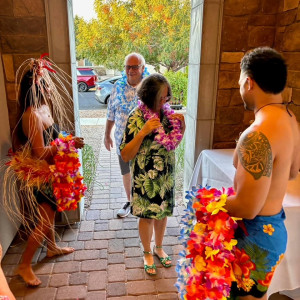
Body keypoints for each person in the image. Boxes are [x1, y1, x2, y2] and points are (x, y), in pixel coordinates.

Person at [224, 47, 300, 299]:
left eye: (239, 83)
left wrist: (210, 204)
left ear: (249, 82)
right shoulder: (290, 119)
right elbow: (291, 171)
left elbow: (246, 208)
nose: (239, 89)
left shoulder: (258, 133)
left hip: (254, 238)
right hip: (275, 232)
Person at [10, 58, 85, 286]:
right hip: (41, 175)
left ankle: (51, 248)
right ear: (36, 88)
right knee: (44, 221)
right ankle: (23, 266)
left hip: (54, 170)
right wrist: (69, 143)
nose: (50, 88)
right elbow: (40, 153)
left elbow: (54, 136)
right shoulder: (31, 115)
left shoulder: (44, 107)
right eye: (46, 84)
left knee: (49, 215)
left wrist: (65, 141)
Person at [120, 74, 185, 275]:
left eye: (167, 97)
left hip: (165, 176)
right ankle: (147, 251)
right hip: (145, 177)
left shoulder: (168, 115)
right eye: (161, 97)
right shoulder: (136, 116)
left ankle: (158, 247)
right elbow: (125, 154)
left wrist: (182, 128)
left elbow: (172, 144)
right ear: (149, 96)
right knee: (147, 216)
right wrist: (142, 132)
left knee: (163, 214)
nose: (165, 101)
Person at [104, 53, 149, 218]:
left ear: (143, 68)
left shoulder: (150, 85)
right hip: (122, 140)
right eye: (128, 66)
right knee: (126, 172)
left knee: (145, 170)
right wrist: (106, 135)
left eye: (135, 66)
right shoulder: (117, 86)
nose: (131, 70)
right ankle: (130, 202)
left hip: (145, 141)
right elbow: (111, 112)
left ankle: (144, 203)